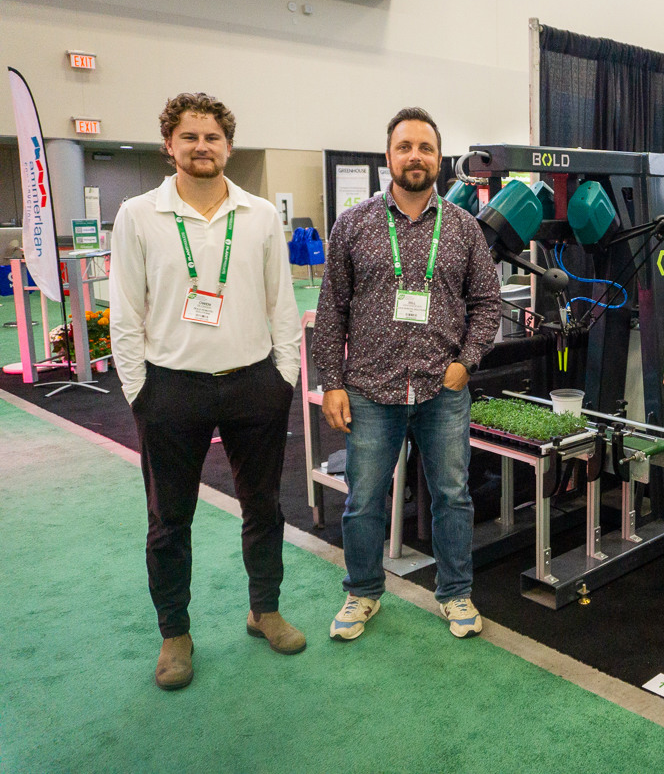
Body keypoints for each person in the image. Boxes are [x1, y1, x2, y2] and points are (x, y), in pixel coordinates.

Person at [109, 92, 305, 690]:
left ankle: (264, 609)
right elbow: (125, 313)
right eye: (189, 137)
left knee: (264, 506)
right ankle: (175, 633)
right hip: (171, 389)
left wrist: (284, 379)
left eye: (212, 136)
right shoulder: (139, 215)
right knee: (169, 519)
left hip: (253, 384)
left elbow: (281, 303)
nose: (202, 146)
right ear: (168, 146)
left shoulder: (260, 215)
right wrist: (140, 392)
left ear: (228, 146)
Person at [313, 107, 500, 642]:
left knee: (453, 496)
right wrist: (333, 384)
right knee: (363, 499)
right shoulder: (354, 224)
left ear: (439, 159)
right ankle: (362, 592)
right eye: (405, 147)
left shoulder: (463, 227)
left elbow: (487, 303)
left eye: (425, 148)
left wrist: (466, 362)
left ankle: (455, 592)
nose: (415, 156)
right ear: (388, 156)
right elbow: (332, 310)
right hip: (371, 390)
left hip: (443, 389)